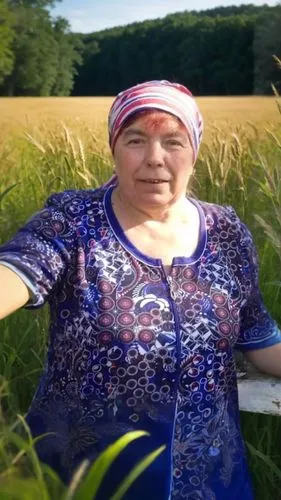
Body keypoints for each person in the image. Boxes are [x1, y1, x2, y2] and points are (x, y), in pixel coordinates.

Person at [0, 80, 281, 500]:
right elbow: (17, 269)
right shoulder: (72, 223)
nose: (154, 159)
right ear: (114, 148)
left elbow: (259, 337)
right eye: (135, 140)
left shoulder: (226, 232)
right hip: (88, 483)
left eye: (173, 141)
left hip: (212, 483)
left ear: (195, 151)